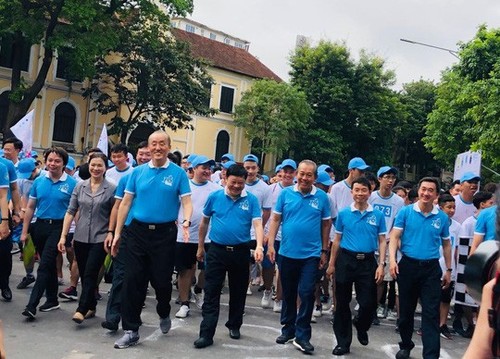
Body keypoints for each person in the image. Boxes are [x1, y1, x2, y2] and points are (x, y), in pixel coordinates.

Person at [111, 130, 192, 349]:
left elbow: (186, 201)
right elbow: (125, 203)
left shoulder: (178, 174)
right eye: (153, 144)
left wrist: (185, 222)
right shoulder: (137, 173)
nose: (157, 148)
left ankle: (163, 311)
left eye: (161, 144)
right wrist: (118, 232)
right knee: (132, 281)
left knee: (161, 282)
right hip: (137, 232)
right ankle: (131, 329)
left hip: (164, 235)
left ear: (168, 146)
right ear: (148, 146)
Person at [193, 164, 264, 349]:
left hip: (240, 251)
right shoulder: (215, 197)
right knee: (212, 292)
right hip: (216, 250)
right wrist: (200, 246)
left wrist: (259, 246)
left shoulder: (252, 200)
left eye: (241, 183)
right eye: (233, 182)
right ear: (226, 179)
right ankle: (206, 333)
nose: (237, 186)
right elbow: (204, 223)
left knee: (238, 291)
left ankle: (234, 325)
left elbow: (257, 224)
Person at [267, 160, 331, 354]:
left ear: (315, 178)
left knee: (306, 292)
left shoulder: (322, 197)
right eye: (302, 173)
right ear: (296, 174)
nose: (304, 178)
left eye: (309, 175)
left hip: (311, 254)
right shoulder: (285, 194)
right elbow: (276, 219)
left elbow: (326, 224)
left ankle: (303, 335)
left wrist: (324, 250)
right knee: (288, 292)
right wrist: (270, 244)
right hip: (287, 252)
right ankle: (288, 329)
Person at [389, 177, 452, 359]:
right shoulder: (406, 212)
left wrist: (448, 269)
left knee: (431, 313)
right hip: (408, 266)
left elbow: (446, 244)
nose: (426, 193)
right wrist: (392, 261)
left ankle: (431, 355)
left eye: (430, 190)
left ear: (436, 195)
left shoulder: (441, 217)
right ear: (419, 191)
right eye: (423, 189)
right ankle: (405, 345)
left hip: (431, 269)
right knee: (406, 312)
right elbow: (394, 237)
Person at [327, 177, 387, 356]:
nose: (360, 193)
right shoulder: (344, 214)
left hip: (368, 262)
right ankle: (343, 342)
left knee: (368, 303)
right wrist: (331, 263)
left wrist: (381, 264)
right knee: (342, 302)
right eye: (357, 190)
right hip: (346, 260)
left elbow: (382, 240)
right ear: (351, 192)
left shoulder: (377, 215)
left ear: (370, 192)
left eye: (364, 190)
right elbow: (337, 240)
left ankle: (361, 325)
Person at [57, 153, 116, 324]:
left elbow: (115, 212)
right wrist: (63, 236)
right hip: (81, 236)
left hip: (101, 237)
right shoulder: (80, 186)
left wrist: (111, 233)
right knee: (84, 272)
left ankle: (81, 309)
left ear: (106, 168)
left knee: (90, 272)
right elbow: (71, 211)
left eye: (100, 165)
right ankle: (91, 306)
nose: (96, 168)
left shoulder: (111, 188)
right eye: (93, 165)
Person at [21, 147, 77, 319]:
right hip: (40, 227)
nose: (53, 164)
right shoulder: (39, 181)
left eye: (57, 161)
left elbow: (75, 210)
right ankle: (52, 300)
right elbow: (31, 207)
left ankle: (32, 305)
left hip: (59, 228)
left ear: (64, 164)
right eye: (50, 160)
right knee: (50, 264)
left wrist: (73, 233)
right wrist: (24, 231)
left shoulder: (72, 184)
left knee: (44, 265)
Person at [101, 141, 151, 332]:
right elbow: (117, 206)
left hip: (148, 235)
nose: (144, 157)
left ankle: (132, 317)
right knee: (119, 276)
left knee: (139, 278)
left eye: (148, 154)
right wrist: (112, 232)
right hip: (126, 233)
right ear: (135, 156)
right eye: (141, 154)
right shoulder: (128, 178)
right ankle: (113, 317)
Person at [174, 155, 220, 319]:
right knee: (185, 270)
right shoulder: (184, 186)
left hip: (209, 237)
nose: (207, 171)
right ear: (193, 169)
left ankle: (199, 291)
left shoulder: (216, 189)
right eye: (203, 167)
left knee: (207, 269)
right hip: (185, 236)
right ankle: (185, 303)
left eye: (209, 168)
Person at [454, 191, 494, 337]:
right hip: (489, 264)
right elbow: (474, 245)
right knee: (484, 299)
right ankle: (480, 330)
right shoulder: (486, 215)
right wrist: (469, 271)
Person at [369, 167, 404, 324]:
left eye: (392, 178)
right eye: (387, 177)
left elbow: (398, 224)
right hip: (369, 242)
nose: (390, 180)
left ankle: (374, 309)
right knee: (367, 278)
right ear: (379, 178)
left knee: (381, 279)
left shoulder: (398, 201)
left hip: (388, 243)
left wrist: (390, 238)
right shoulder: (371, 197)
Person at [262, 159, 297, 313]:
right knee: (268, 266)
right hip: (271, 234)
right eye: (285, 171)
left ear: (295, 173)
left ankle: (279, 297)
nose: (288, 174)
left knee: (283, 269)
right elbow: (267, 212)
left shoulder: (298, 190)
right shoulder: (271, 189)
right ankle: (268, 289)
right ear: (280, 172)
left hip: (288, 237)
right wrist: (264, 232)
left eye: (291, 171)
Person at [241, 154, 272, 300]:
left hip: (254, 233)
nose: (250, 171)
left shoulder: (264, 188)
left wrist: (260, 229)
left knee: (252, 262)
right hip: (239, 231)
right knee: (242, 263)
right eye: (247, 168)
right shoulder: (238, 184)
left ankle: (264, 287)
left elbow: (266, 211)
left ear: (258, 168)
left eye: (253, 168)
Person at [16, 158, 45, 290]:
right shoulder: (22, 180)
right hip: (28, 218)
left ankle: (45, 279)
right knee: (27, 248)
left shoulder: (44, 178)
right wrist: (21, 211)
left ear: (35, 170)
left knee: (44, 252)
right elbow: (23, 196)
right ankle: (29, 275)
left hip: (41, 219)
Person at [436, 194, 461, 340]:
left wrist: (453, 269)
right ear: (440, 207)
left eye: (453, 207)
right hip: (434, 266)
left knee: (445, 299)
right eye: (448, 207)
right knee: (432, 298)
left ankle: (442, 324)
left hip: (449, 267)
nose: (451, 210)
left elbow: (457, 249)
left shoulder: (457, 227)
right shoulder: (435, 222)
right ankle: (430, 323)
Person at [329, 157, 370, 221]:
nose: (363, 174)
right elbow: (331, 210)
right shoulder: (337, 187)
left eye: (364, 172)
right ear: (351, 170)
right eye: (360, 171)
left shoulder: (364, 190)